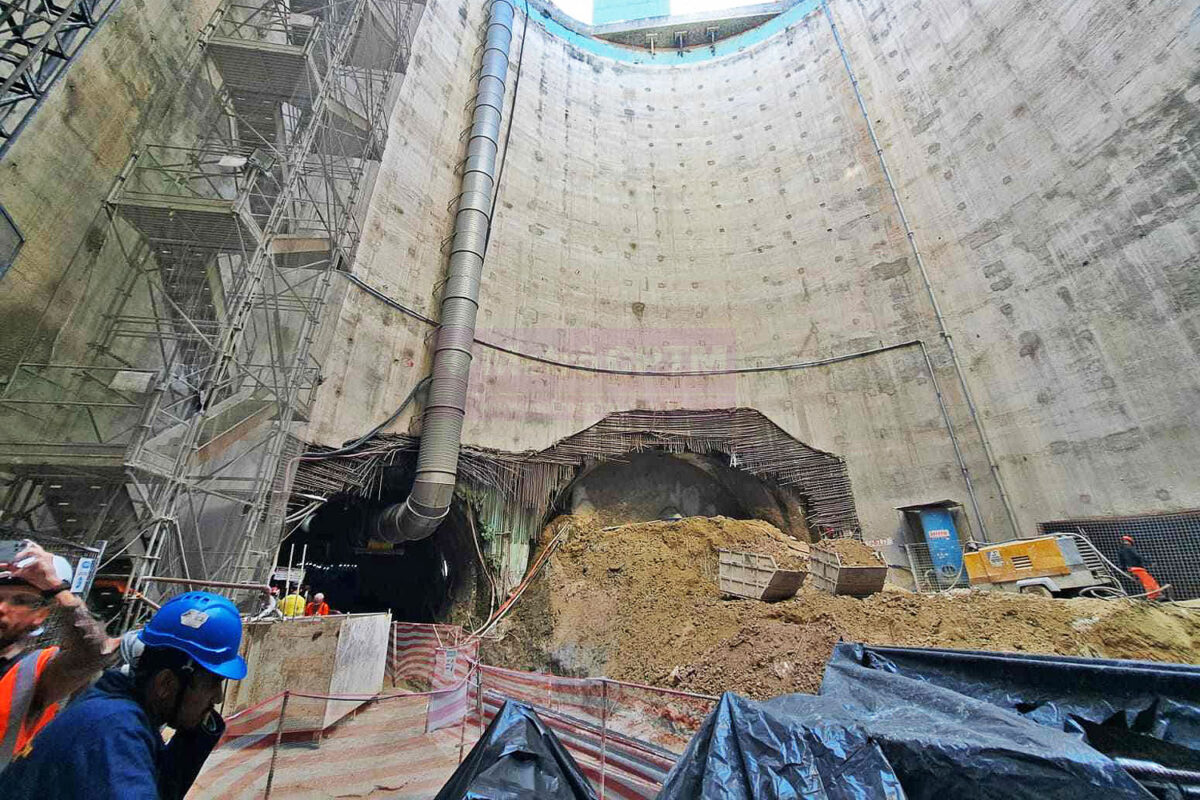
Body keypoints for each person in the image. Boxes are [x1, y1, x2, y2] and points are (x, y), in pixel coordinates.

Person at [1, 591, 248, 799]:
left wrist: (196, 736)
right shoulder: (114, 731)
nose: (217, 697)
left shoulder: (124, 715)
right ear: (165, 684)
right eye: (213, 683)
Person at [0, 540, 110, 769]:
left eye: (20, 601)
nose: (2, 608)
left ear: (42, 614)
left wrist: (57, 589)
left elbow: (95, 652)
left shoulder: (34, 673)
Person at [1117, 535, 1162, 600]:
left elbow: (1122, 562)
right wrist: (1149, 562)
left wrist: (1125, 570)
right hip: (1137, 568)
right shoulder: (1130, 548)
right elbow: (1138, 556)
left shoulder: (1120, 551)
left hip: (1131, 569)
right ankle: (1153, 596)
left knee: (1147, 581)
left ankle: (1154, 595)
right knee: (1149, 581)